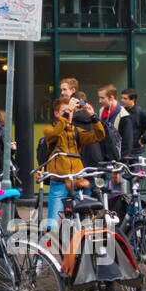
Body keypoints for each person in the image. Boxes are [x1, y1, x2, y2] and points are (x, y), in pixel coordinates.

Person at [40, 96, 104, 231]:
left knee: (83, 221)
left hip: (76, 179)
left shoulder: (76, 131)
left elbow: (99, 136)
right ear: (57, 114)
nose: (69, 114)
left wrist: (93, 117)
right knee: (52, 224)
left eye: (71, 111)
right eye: (65, 111)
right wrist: (67, 110)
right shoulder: (49, 130)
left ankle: (77, 247)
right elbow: (56, 133)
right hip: (59, 180)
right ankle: (47, 249)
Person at [120, 89, 146, 166]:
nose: (122, 100)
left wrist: (143, 140)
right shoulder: (121, 111)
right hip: (123, 150)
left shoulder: (140, 113)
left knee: (135, 175)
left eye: (125, 98)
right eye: (122, 98)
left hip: (135, 152)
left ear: (133, 99)